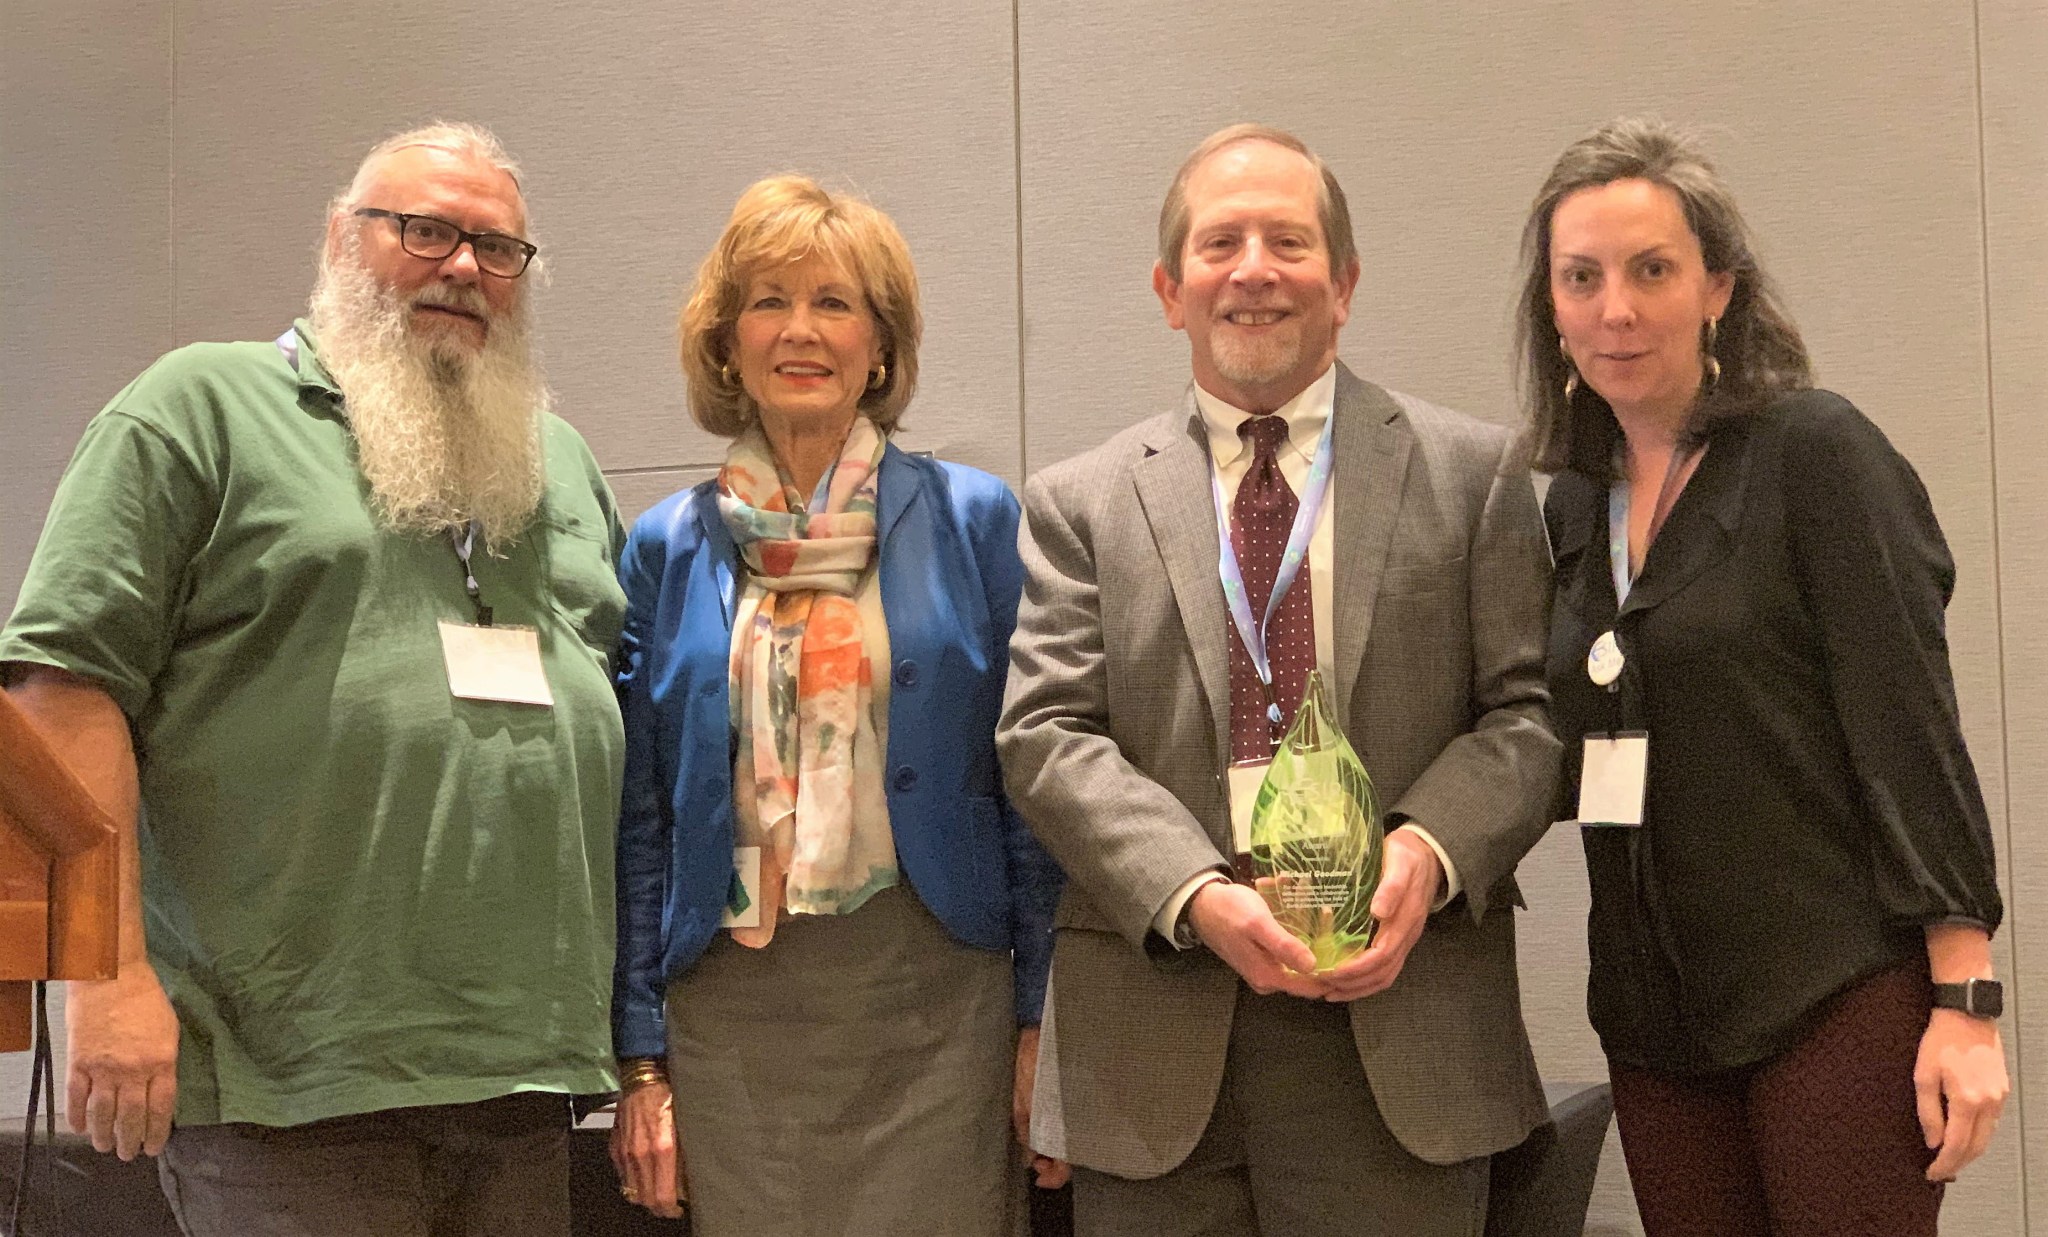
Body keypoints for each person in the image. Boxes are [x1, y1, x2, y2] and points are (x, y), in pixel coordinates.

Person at [0, 122, 628, 1235]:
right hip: (282, 1078)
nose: (464, 268)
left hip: (522, 1077)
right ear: (342, 238)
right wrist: (100, 976)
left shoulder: (558, 463)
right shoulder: (200, 408)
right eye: (426, 230)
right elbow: (62, 690)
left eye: (498, 249)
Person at [997, 123, 1560, 1236]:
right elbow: (1046, 732)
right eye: (1219, 243)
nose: (1252, 268)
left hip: (1401, 1032)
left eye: (1287, 242)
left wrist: (1423, 851)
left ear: (1342, 283)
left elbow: (1529, 713)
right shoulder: (1080, 500)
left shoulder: (1469, 473)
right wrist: (1195, 893)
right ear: (1169, 289)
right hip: (1155, 1042)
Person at [1519, 116, 2008, 1236]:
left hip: (1829, 995)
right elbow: (1568, 741)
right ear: (1550, 308)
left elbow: (1908, 730)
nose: (1616, 309)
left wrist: (1963, 1002)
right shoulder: (1568, 506)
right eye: (1581, 278)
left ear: (1718, 290)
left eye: (1652, 271)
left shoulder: (1813, 453)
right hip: (1652, 1019)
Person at [606, 173, 1063, 1234]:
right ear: (726, 343)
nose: (799, 330)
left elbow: (1029, 797)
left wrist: (1041, 1017)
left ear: (881, 345)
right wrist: (638, 1056)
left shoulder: (974, 521)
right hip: (729, 1011)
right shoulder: (664, 548)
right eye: (768, 300)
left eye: (834, 302)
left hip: (938, 998)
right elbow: (641, 819)